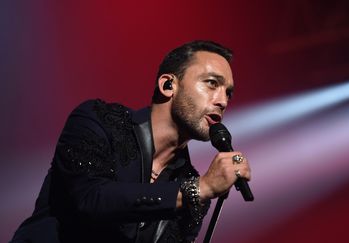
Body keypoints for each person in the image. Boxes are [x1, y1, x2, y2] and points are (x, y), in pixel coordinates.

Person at [10, 40, 251, 243]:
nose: (222, 100)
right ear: (168, 85)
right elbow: (90, 198)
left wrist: (197, 190)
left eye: (228, 92)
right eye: (212, 83)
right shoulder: (99, 119)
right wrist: (199, 189)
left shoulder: (189, 182)